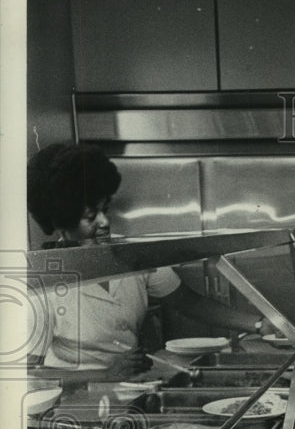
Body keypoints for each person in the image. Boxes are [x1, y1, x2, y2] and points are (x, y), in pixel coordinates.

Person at [26, 142, 273, 385]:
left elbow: (187, 301)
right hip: (75, 402)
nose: (104, 222)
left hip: (130, 389)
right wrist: (104, 375)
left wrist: (260, 324)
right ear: (63, 218)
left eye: (105, 209)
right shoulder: (45, 281)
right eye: (91, 216)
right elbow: (28, 372)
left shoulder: (132, 255)